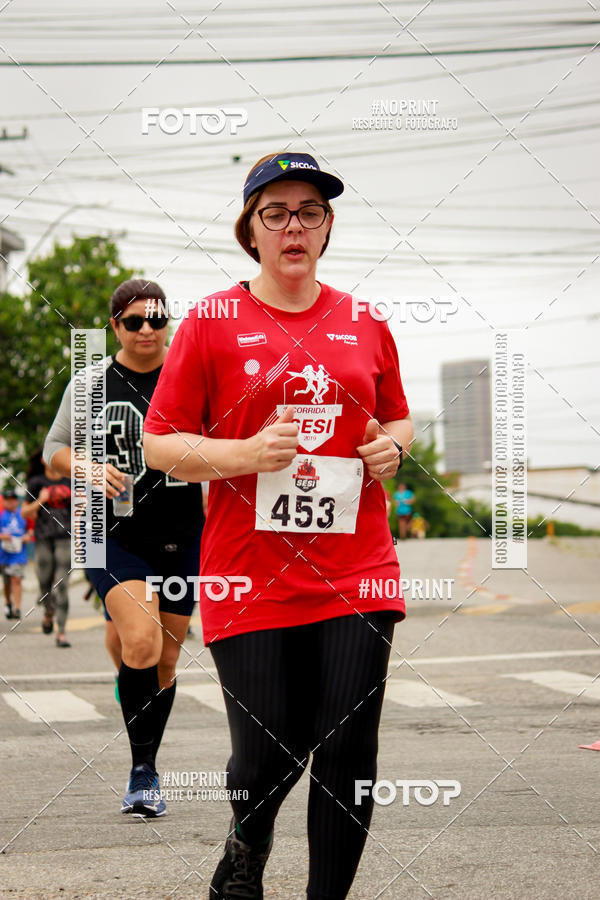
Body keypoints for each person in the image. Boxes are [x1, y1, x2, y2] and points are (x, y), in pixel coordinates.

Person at [144, 152, 413, 899]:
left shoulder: (365, 322)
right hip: (249, 572)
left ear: (326, 230)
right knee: (266, 754)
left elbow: (397, 414)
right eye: (277, 213)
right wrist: (245, 453)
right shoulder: (210, 323)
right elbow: (160, 443)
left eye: (311, 212)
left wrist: (395, 445)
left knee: (349, 749)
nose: (294, 226)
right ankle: (247, 842)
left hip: (358, 568)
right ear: (251, 231)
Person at [43, 278, 204, 817]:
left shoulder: (189, 379)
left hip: (184, 533)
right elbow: (54, 451)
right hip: (113, 534)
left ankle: (135, 699)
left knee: (165, 658)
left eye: (157, 319)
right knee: (141, 644)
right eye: (133, 321)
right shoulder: (89, 385)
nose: (146, 329)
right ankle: (143, 774)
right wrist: (85, 467)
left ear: (168, 323)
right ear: (115, 325)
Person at [22, 451, 72, 645]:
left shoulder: (69, 481)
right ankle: (48, 610)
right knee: (44, 581)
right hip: (43, 538)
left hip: (64, 538)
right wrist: (40, 500)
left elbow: (81, 510)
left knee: (62, 584)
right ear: (43, 459)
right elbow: (25, 512)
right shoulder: (36, 482)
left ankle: (61, 632)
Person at [0, 489, 30, 620]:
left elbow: (31, 529)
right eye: (8, 500)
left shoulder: (23, 514)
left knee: (16, 579)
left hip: (18, 553)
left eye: (13, 499)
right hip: (3, 552)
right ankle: (8, 602)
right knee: (6, 581)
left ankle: (17, 608)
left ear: (17, 501)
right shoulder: (1, 515)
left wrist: (28, 536)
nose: (11, 502)